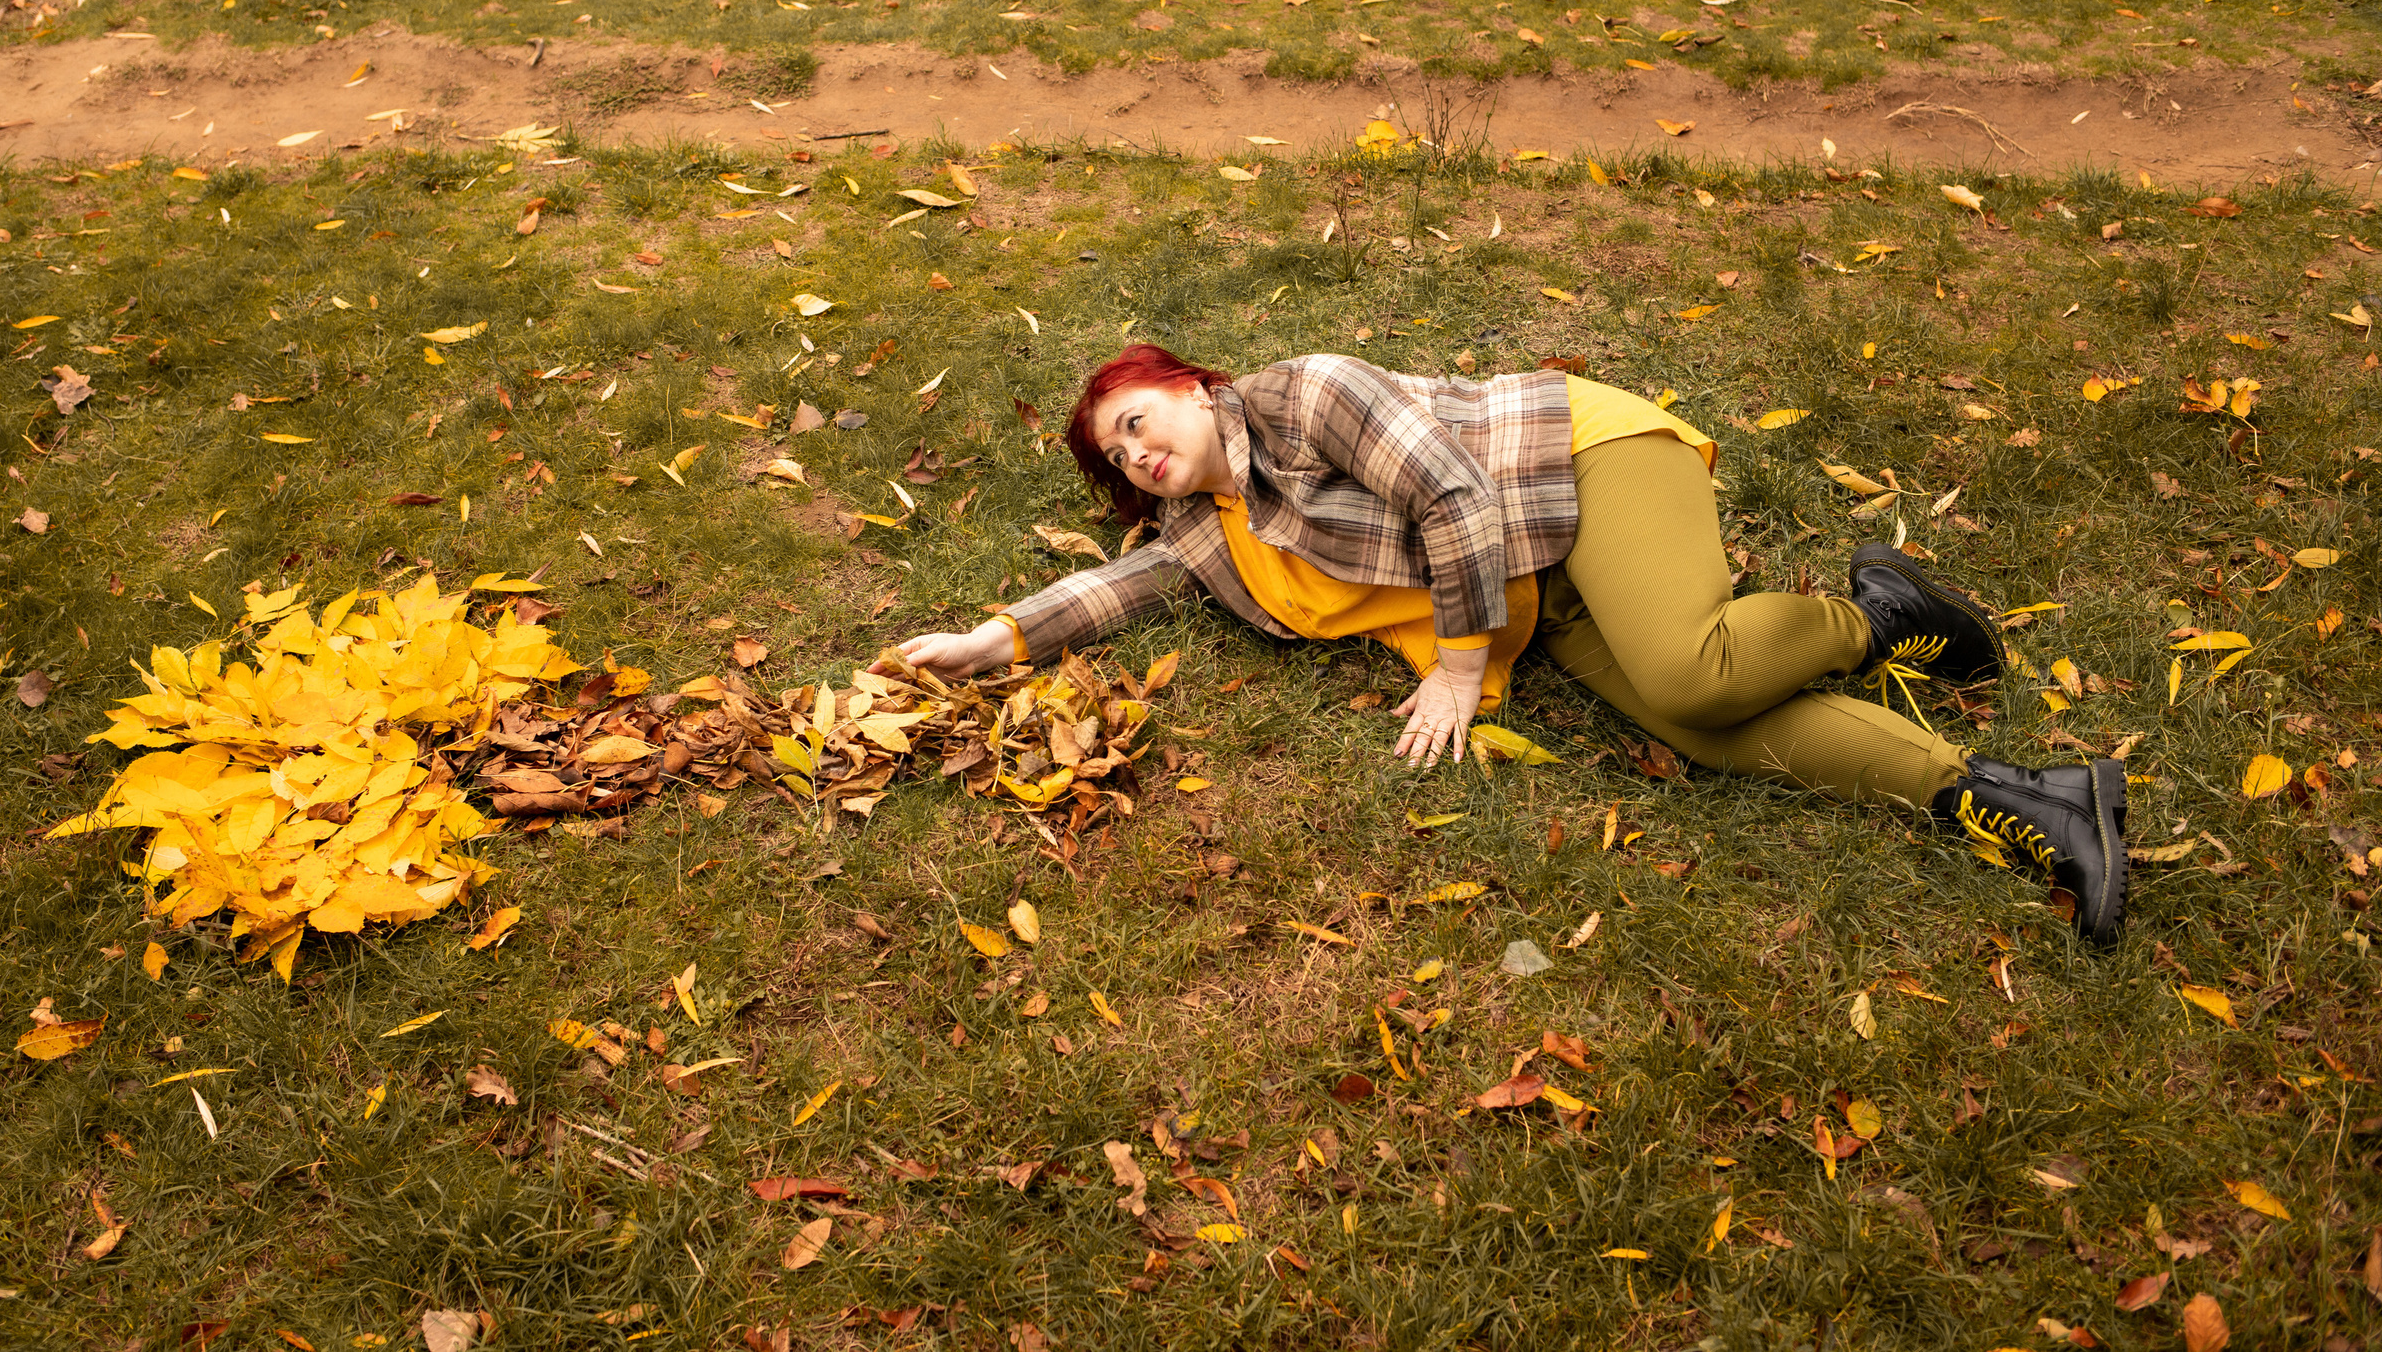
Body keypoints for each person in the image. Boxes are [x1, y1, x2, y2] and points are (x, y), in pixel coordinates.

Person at [897, 345, 2128, 946]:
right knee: (1703, 730)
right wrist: (986, 638)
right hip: (1542, 594)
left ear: (1193, 389)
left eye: (1136, 419)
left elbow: (1454, 500)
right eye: (1117, 455)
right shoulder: (1207, 531)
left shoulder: (1305, 395)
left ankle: (1880, 612)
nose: (1137, 452)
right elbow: (1116, 593)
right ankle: (2024, 801)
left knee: (1691, 667)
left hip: (1570, 461)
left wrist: (1459, 666)